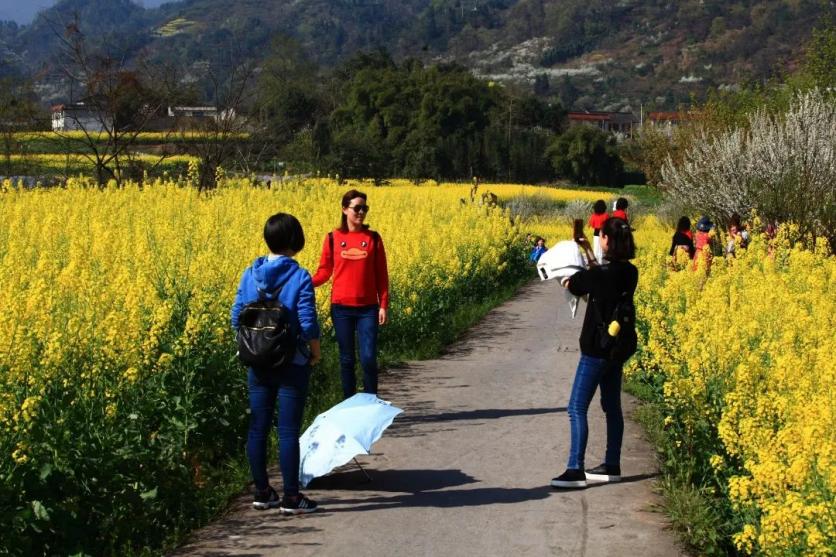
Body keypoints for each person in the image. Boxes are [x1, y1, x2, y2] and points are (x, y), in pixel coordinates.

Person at [231, 213, 321, 515]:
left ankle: (262, 491)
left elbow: (236, 318)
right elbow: (307, 323)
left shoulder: (249, 274)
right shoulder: (299, 276)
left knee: (257, 428)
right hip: (291, 363)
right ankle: (292, 498)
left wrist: (255, 345)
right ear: (296, 240)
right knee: (286, 432)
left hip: (256, 363)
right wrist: (315, 351)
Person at [551, 217, 638, 489]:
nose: (600, 240)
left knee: (576, 407)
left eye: (601, 236)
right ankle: (612, 464)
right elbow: (599, 274)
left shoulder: (601, 276)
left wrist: (565, 278)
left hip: (595, 350)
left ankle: (575, 469)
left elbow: (577, 283)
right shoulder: (629, 272)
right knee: (612, 407)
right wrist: (588, 250)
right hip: (616, 349)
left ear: (608, 241)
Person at [313, 189, 390, 399]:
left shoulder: (373, 238)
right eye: (357, 208)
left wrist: (383, 304)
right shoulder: (332, 238)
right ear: (345, 209)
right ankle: (349, 404)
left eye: (365, 208)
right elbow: (324, 271)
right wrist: (305, 282)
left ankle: (371, 402)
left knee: (368, 358)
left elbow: (381, 274)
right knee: (346, 360)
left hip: (368, 308)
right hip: (341, 308)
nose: (361, 212)